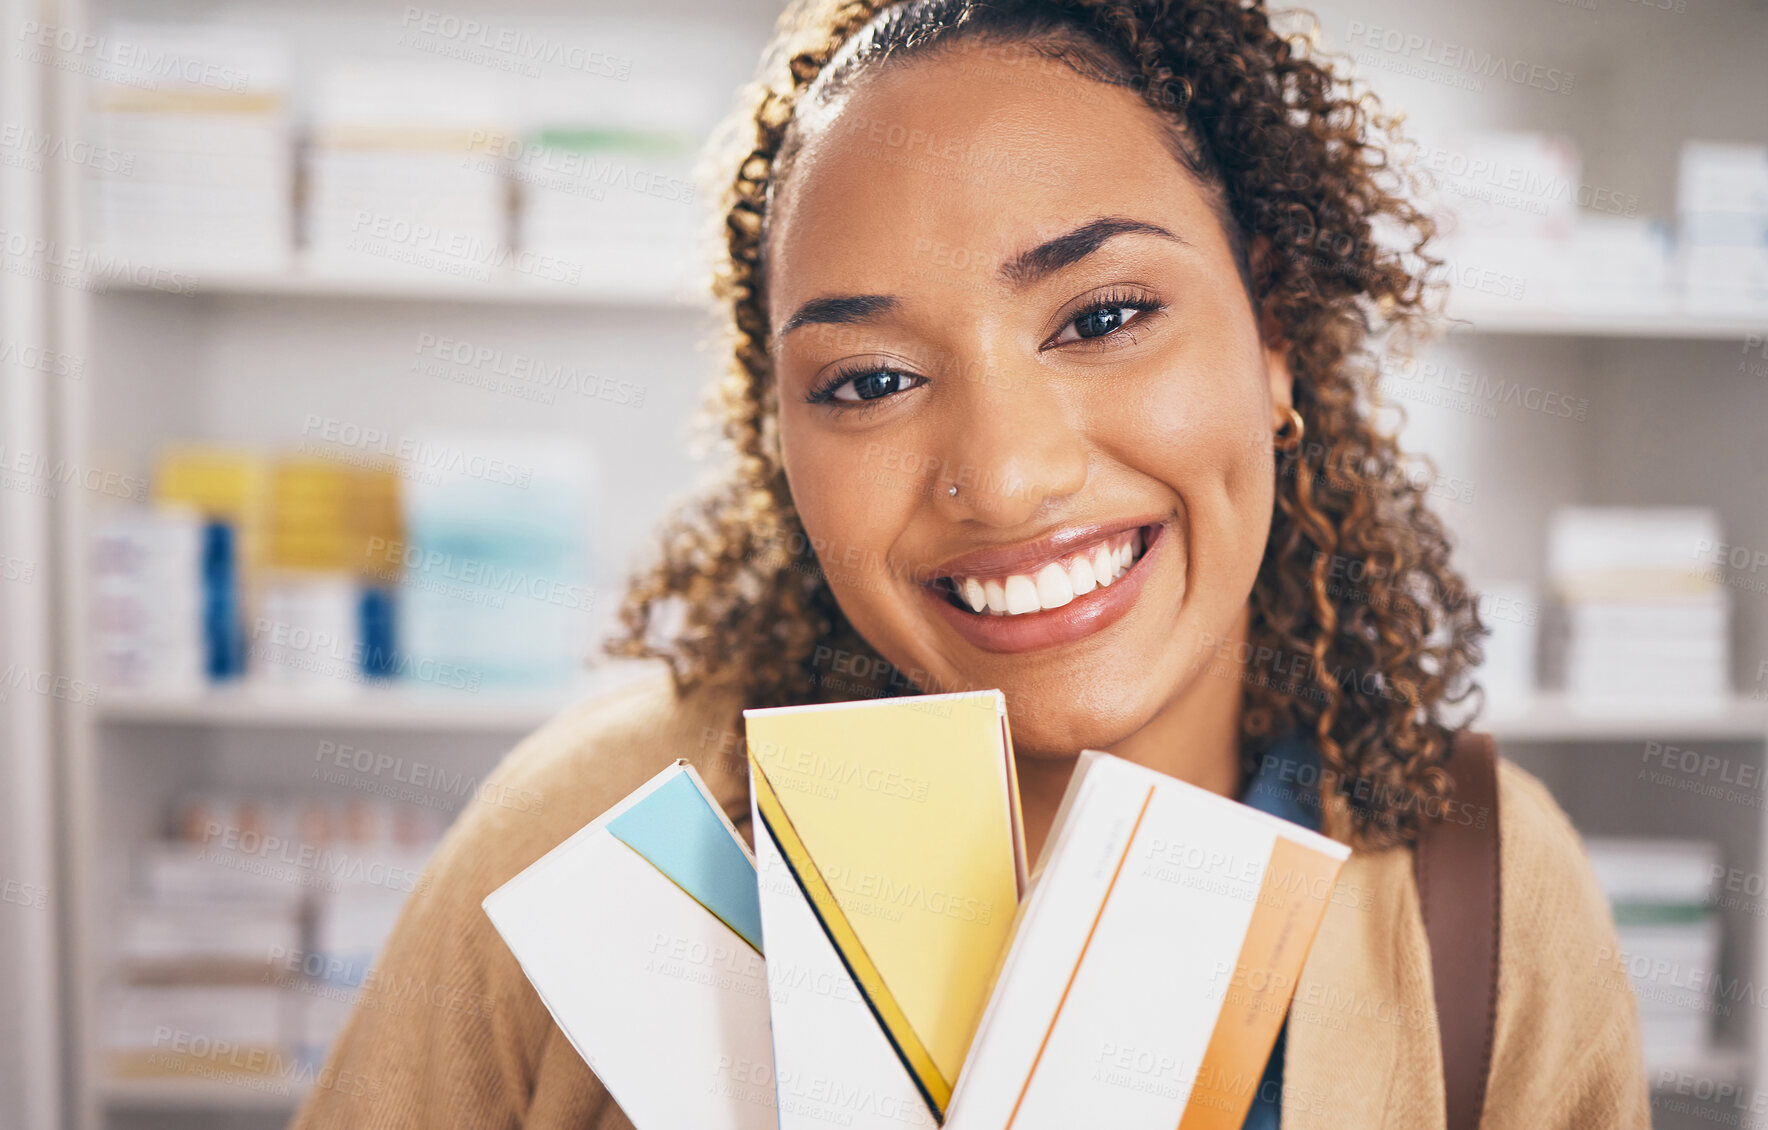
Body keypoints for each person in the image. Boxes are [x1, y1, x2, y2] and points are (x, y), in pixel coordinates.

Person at [290, 1, 1649, 1127]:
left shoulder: (1488, 887)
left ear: (1275, 331)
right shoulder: (593, 824)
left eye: (1104, 314)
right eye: (871, 379)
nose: (1002, 475)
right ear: (780, 442)